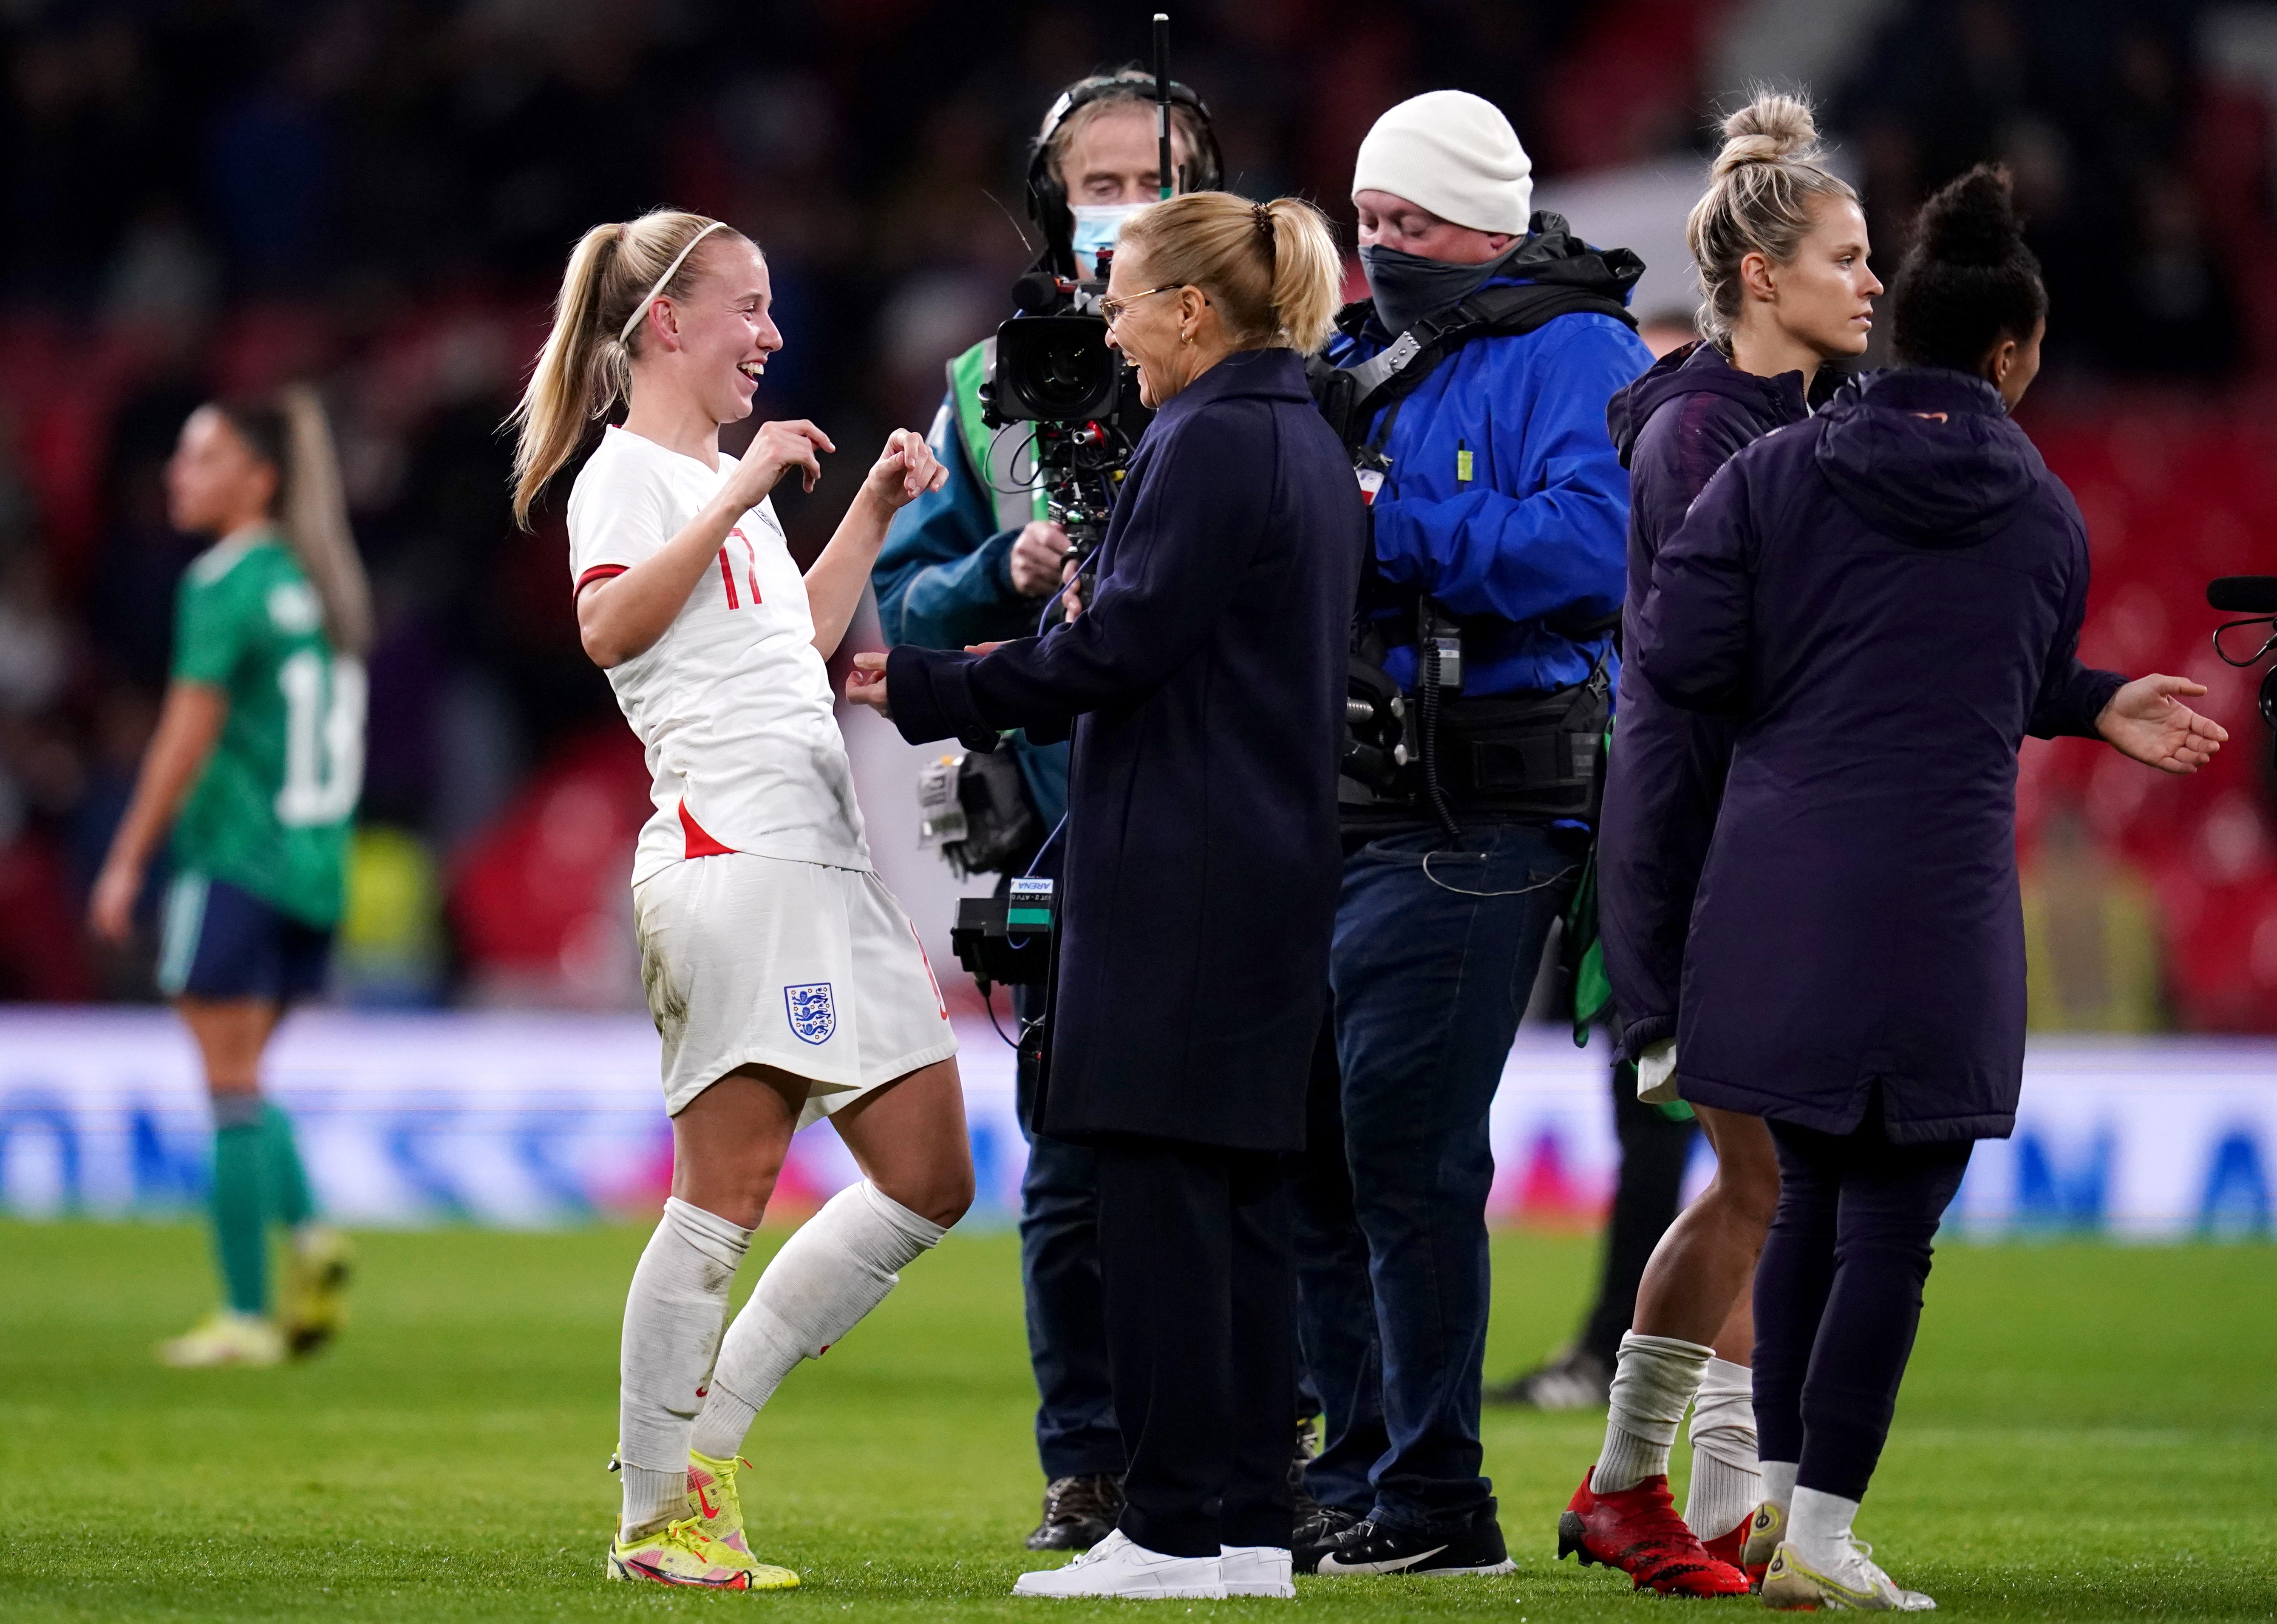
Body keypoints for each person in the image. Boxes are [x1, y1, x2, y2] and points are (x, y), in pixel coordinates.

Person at [1635, 165, 2225, 1611]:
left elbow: (1681, 658)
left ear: (1890, 327)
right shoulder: (2041, 517)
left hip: (1773, 891)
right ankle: (1824, 1533)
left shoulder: (1772, 474)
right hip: (1936, 901)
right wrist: (2085, 703)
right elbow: (1986, 672)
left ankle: (1776, 1512)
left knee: (1807, 1193)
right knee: (1890, 1223)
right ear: (2010, 355)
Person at [849, 190, 1357, 1603]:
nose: (1106, 324)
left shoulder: (1204, 440)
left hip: (1174, 874)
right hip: (1263, 867)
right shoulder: (1299, 434)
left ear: (1191, 309)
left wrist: (934, 686)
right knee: (1245, 1206)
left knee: (1152, 1202)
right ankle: (1250, 1528)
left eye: (1123, 293)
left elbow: (1118, 651)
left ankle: (1171, 1528)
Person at [508, 207, 974, 1591]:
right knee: (725, 1192)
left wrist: (871, 514)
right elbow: (605, 627)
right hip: (730, 860)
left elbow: (792, 651)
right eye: (747, 309)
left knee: (932, 1176)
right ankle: (657, 1513)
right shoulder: (629, 478)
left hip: (823, 861)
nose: (772, 335)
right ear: (667, 323)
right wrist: (732, 492)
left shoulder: (725, 478)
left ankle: (701, 1451)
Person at [1287, 90, 1653, 1579]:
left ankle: (1433, 1495)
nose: (1381, 249)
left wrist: (1384, 521)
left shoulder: (1581, 351)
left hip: (1486, 801)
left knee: (1404, 1151)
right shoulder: (1349, 353)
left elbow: (1593, 549)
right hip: (1348, 794)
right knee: (1316, 1145)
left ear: (1491, 219)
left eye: (1410, 224)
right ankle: (1357, 1466)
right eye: (1365, 223)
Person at [870, 68, 1218, 1554]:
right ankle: (1083, 1461)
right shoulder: (979, 388)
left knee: (1273, 1156)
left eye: (1155, 180)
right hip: (1068, 824)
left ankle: (1275, 1440)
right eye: (1098, 182)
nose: (1123, 208)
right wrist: (989, 577)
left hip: (1253, 807)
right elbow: (899, 603)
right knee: (1070, 1168)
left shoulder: (1287, 356)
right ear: (1049, 199)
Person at [1559, 94, 1879, 1597]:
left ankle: (1701, 1489)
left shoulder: (1793, 422)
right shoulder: (1698, 432)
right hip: (1698, 857)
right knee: (1765, 1177)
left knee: (1760, 1178)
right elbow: (1726, 657)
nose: (1868, 283)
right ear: (1761, 276)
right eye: (1843, 255)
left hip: (1761, 849)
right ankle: (1635, 1485)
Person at [90, 387, 368, 1369]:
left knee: (227, 1088)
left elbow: (183, 735)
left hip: (237, 858)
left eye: (199, 458)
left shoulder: (225, 582)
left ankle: (247, 1314)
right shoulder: (322, 581)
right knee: (246, 1079)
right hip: (316, 869)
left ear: (258, 479)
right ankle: (311, 1240)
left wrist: (126, 859)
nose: (178, 475)